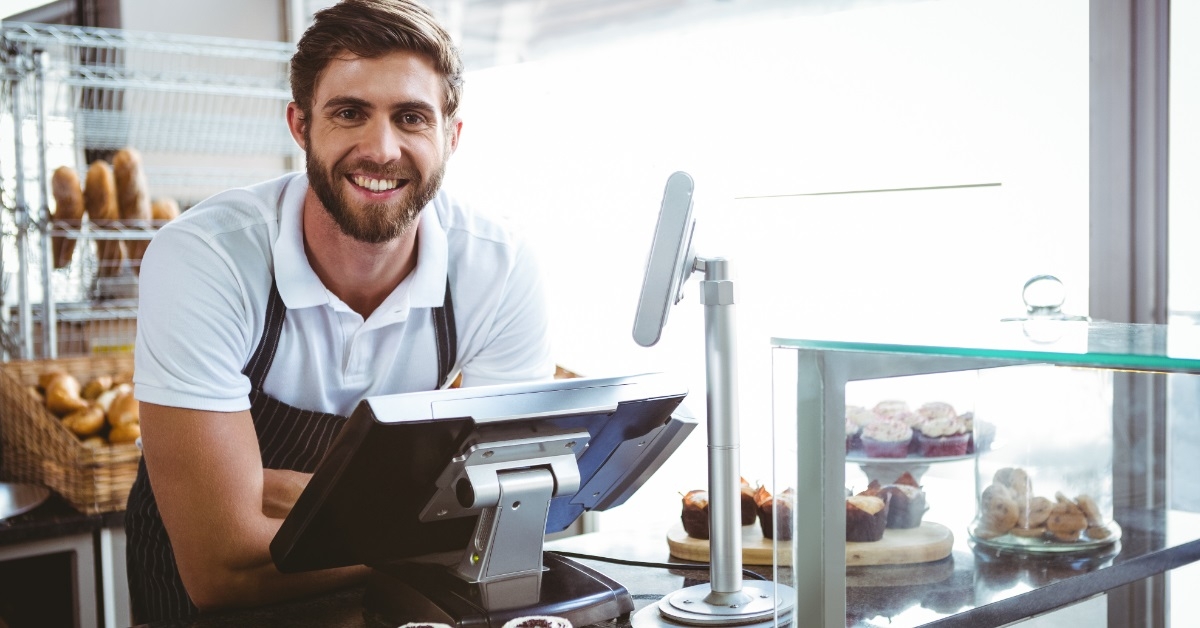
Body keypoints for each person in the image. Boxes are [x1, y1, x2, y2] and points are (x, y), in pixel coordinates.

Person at [123, 0, 554, 622]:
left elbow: (511, 511)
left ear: (451, 136)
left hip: (391, 608)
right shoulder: (204, 257)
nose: (380, 149)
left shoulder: (499, 268)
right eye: (350, 113)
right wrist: (429, 528)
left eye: (411, 117)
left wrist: (273, 495)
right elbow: (224, 564)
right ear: (300, 125)